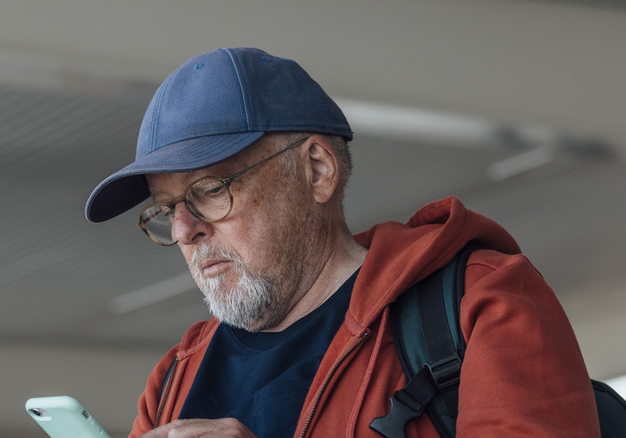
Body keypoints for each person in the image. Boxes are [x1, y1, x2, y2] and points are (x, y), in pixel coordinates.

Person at [85, 47, 599, 438]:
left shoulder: (480, 306)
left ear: (316, 170)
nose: (182, 231)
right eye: (168, 207)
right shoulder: (174, 380)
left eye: (211, 189)